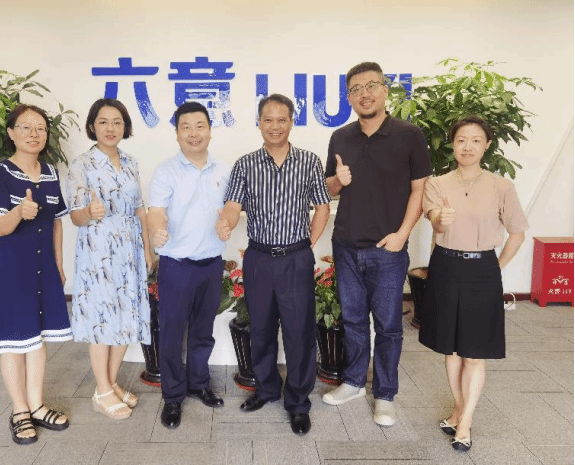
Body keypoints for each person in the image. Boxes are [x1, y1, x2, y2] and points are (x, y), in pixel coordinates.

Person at [322, 62, 431, 426]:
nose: (364, 94)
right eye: (355, 89)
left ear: (385, 89)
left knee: (388, 326)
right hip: (346, 246)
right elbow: (329, 188)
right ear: (348, 97)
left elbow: (419, 190)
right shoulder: (340, 137)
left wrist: (402, 235)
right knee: (353, 321)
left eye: (371, 86)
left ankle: (384, 394)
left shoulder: (409, 135)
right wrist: (337, 180)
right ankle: (354, 382)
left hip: (388, 249)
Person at [219, 93, 331, 436]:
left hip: (296, 258)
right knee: (262, 329)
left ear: (291, 122)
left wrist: (308, 244)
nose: (275, 126)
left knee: (299, 332)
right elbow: (233, 206)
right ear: (259, 123)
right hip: (258, 258)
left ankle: (297, 402)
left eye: (282, 119)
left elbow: (322, 207)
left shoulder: (309, 161)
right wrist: (225, 222)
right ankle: (267, 389)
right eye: (268, 119)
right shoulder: (245, 164)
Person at [419, 116, 528, 452]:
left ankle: (465, 422)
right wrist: (441, 219)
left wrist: (496, 266)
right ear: (453, 144)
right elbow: (435, 221)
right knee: (451, 350)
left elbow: (517, 232)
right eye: (461, 140)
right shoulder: (437, 183)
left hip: (482, 271)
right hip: (445, 267)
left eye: (476, 140)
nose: (467, 146)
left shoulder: (501, 187)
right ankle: (458, 408)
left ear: (487, 145)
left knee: (475, 353)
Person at [0, 104, 72, 445]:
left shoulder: (50, 172)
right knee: (14, 338)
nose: (34, 134)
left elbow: (57, 223)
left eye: (41, 128)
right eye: (26, 127)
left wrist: (59, 264)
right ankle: (19, 409)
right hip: (13, 269)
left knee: (38, 336)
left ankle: (36, 405)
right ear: (11, 132)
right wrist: (19, 211)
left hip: (44, 267)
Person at [67, 98, 152, 420]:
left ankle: (111, 383)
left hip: (129, 249)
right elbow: (75, 216)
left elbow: (140, 209)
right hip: (98, 251)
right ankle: (102, 390)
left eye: (117, 122)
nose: (110, 128)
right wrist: (89, 212)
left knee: (126, 316)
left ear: (125, 126)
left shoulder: (130, 162)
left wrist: (147, 251)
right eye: (103, 122)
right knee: (102, 318)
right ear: (92, 126)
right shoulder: (82, 164)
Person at [147, 102, 230, 429]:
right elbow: (156, 210)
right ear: (177, 133)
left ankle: (199, 384)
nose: (194, 133)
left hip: (211, 264)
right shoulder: (166, 171)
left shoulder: (224, 170)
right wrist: (158, 228)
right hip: (177, 266)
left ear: (209, 130)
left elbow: (231, 211)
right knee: (171, 333)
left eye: (200, 126)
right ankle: (172, 396)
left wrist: (228, 224)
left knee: (202, 331)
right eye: (186, 127)